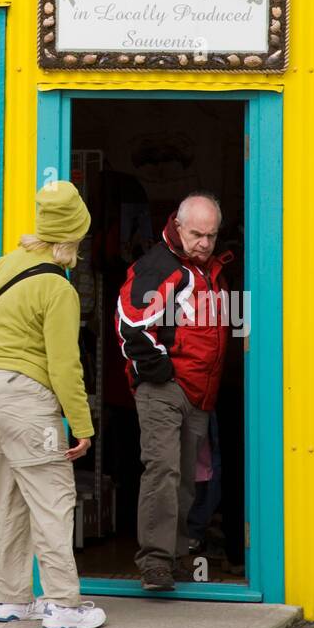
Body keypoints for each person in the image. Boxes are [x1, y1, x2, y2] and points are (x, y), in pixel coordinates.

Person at [0, 181, 107, 628]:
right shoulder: (58, 289)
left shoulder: (4, 264)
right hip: (22, 398)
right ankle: (64, 603)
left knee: (11, 498)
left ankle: (10, 598)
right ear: (72, 238)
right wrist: (82, 426)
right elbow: (65, 366)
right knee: (53, 497)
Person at [115, 192, 233, 592]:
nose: (204, 243)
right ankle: (155, 564)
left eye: (211, 236)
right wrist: (160, 371)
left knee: (184, 479)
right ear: (178, 227)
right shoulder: (161, 266)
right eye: (197, 234)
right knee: (163, 471)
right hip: (166, 389)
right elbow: (130, 323)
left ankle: (177, 553)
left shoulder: (207, 269)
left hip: (199, 393)